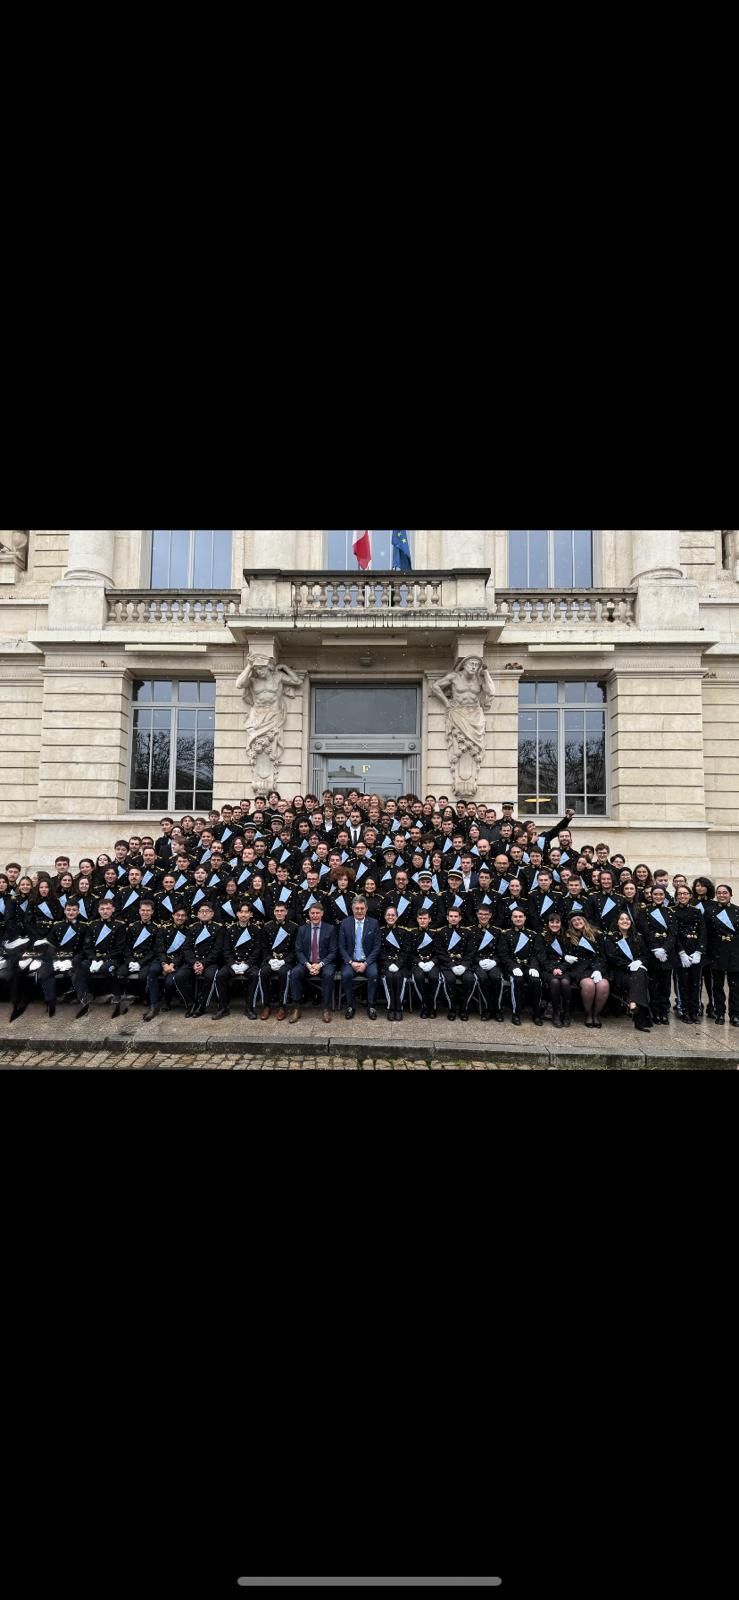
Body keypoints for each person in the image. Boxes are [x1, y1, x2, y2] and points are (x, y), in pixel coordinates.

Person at [288, 905, 338, 1024]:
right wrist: (308, 965)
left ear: (322, 914)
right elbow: (298, 950)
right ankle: (297, 1008)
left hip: (325, 962)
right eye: (312, 913)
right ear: (309, 914)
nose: (315, 916)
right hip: (307, 962)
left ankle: (326, 1008)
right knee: (295, 973)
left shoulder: (330, 929)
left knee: (328, 975)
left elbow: (333, 951)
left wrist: (320, 965)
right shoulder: (302, 929)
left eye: (317, 913)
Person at [498, 907, 548, 1026]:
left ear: (525, 918)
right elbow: (503, 955)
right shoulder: (505, 934)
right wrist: (513, 966)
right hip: (512, 967)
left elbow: (537, 954)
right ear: (511, 918)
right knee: (518, 980)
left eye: (520, 916)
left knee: (536, 981)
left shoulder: (533, 935)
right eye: (515, 916)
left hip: (529, 966)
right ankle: (516, 1013)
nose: (518, 919)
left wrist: (534, 967)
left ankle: (537, 1014)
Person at [606, 911, 653, 1032]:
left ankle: (633, 1002)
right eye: (621, 919)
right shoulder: (611, 938)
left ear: (631, 922)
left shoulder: (637, 937)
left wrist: (639, 962)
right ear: (617, 922)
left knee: (639, 976)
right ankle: (641, 1020)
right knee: (639, 978)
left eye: (627, 919)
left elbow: (646, 956)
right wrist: (628, 966)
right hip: (620, 973)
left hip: (637, 971)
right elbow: (612, 958)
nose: (625, 921)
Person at [562, 913, 611, 1029]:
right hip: (579, 969)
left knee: (603, 985)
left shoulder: (597, 935)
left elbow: (603, 956)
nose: (577, 922)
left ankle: (596, 1014)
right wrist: (565, 956)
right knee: (589, 984)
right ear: (571, 924)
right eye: (574, 920)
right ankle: (588, 1014)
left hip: (597, 967)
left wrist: (598, 969)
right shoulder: (568, 936)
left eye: (579, 919)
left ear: (584, 920)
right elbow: (563, 953)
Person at [338, 896, 381, 1020]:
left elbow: (377, 947)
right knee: (346, 975)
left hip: (367, 961)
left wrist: (366, 963)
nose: (359, 911)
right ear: (352, 909)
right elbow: (341, 946)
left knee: (374, 974)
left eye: (362, 908)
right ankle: (350, 1006)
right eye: (357, 908)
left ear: (366, 909)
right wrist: (351, 962)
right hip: (350, 961)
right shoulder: (345, 923)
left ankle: (371, 1006)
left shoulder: (373, 923)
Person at [672, 884, 706, 1024]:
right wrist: (681, 952)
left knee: (695, 983)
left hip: (695, 950)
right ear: (676, 896)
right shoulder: (672, 911)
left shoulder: (696, 911)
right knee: (683, 983)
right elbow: (674, 934)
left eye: (685, 893)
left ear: (690, 895)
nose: (682, 896)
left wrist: (699, 951)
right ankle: (684, 1011)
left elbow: (703, 932)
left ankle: (694, 1011)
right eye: (680, 894)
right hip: (681, 952)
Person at [706, 885, 739, 1026]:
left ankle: (735, 1014)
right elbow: (706, 933)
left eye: (725, 893)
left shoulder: (737, 910)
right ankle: (719, 1012)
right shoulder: (709, 911)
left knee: (735, 987)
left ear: (730, 895)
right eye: (719, 893)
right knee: (717, 986)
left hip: (735, 952)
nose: (722, 895)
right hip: (717, 952)